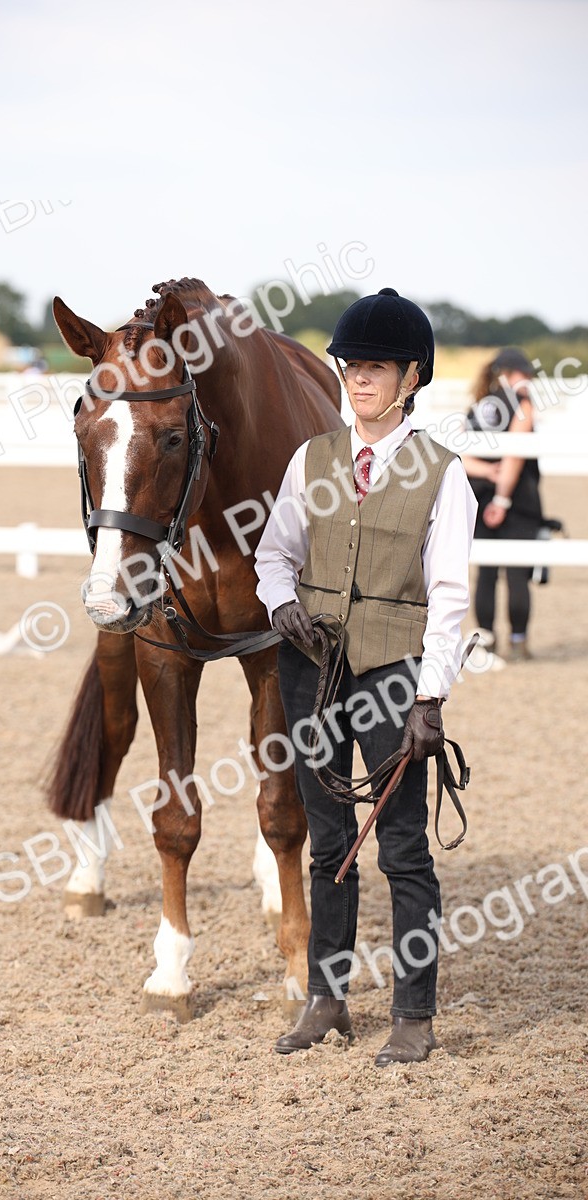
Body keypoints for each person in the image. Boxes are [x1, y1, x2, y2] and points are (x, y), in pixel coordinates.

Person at [254, 287, 477, 1065]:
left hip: (393, 674)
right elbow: (274, 552)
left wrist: (430, 696)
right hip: (310, 670)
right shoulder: (311, 459)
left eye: (376, 368)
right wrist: (282, 604)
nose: (359, 378)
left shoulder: (443, 475)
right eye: (351, 365)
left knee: (403, 849)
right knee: (328, 841)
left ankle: (414, 1015)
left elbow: (448, 595)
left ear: (412, 377)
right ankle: (327, 999)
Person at [462, 349, 543, 663]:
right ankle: (518, 642)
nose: (529, 381)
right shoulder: (522, 405)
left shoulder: (478, 407)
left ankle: (486, 642)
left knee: (486, 573)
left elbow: (462, 454)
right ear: (509, 374)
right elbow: (515, 456)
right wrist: (502, 497)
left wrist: (486, 472)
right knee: (517, 573)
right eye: (525, 374)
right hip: (515, 499)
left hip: (479, 496)